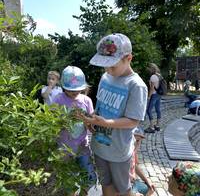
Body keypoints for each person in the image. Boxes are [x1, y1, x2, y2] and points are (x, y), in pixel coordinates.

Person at [80, 33, 148, 196]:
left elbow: (133, 121)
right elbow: (100, 107)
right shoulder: (105, 77)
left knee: (123, 189)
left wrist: (105, 123)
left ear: (128, 58)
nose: (108, 70)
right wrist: (92, 119)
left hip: (118, 151)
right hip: (99, 146)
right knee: (106, 183)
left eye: (113, 65)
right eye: (105, 65)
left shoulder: (136, 85)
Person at [53, 66, 97, 195]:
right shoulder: (58, 99)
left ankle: (83, 193)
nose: (74, 92)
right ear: (63, 87)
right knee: (68, 179)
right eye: (71, 89)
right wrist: (65, 119)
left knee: (90, 177)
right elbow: (52, 122)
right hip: (64, 148)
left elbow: (91, 126)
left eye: (78, 89)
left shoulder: (86, 101)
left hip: (82, 146)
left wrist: (87, 121)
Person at [130, 127, 155, 196]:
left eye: (138, 141)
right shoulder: (123, 155)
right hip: (125, 186)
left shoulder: (133, 153)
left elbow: (135, 166)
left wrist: (147, 180)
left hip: (134, 183)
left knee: (150, 188)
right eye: (133, 140)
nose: (136, 143)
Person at [145, 63, 162, 133]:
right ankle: (157, 126)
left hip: (154, 95)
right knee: (158, 109)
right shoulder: (159, 75)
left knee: (148, 110)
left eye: (149, 68)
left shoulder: (153, 77)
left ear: (151, 69)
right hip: (159, 94)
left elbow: (152, 89)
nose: (148, 70)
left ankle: (151, 127)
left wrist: (148, 97)